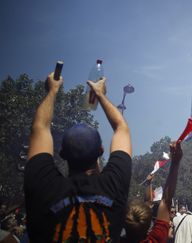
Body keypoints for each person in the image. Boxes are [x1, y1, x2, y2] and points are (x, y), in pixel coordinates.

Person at [24, 73, 132, 242]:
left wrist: (52, 91)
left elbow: (40, 127)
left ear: (62, 153)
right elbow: (121, 128)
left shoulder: (44, 187)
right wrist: (100, 94)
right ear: (101, 150)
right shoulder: (113, 185)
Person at [123, 142, 182, 243]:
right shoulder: (156, 239)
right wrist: (175, 162)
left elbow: (157, 202)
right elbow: (166, 200)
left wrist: (149, 183)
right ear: (149, 225)